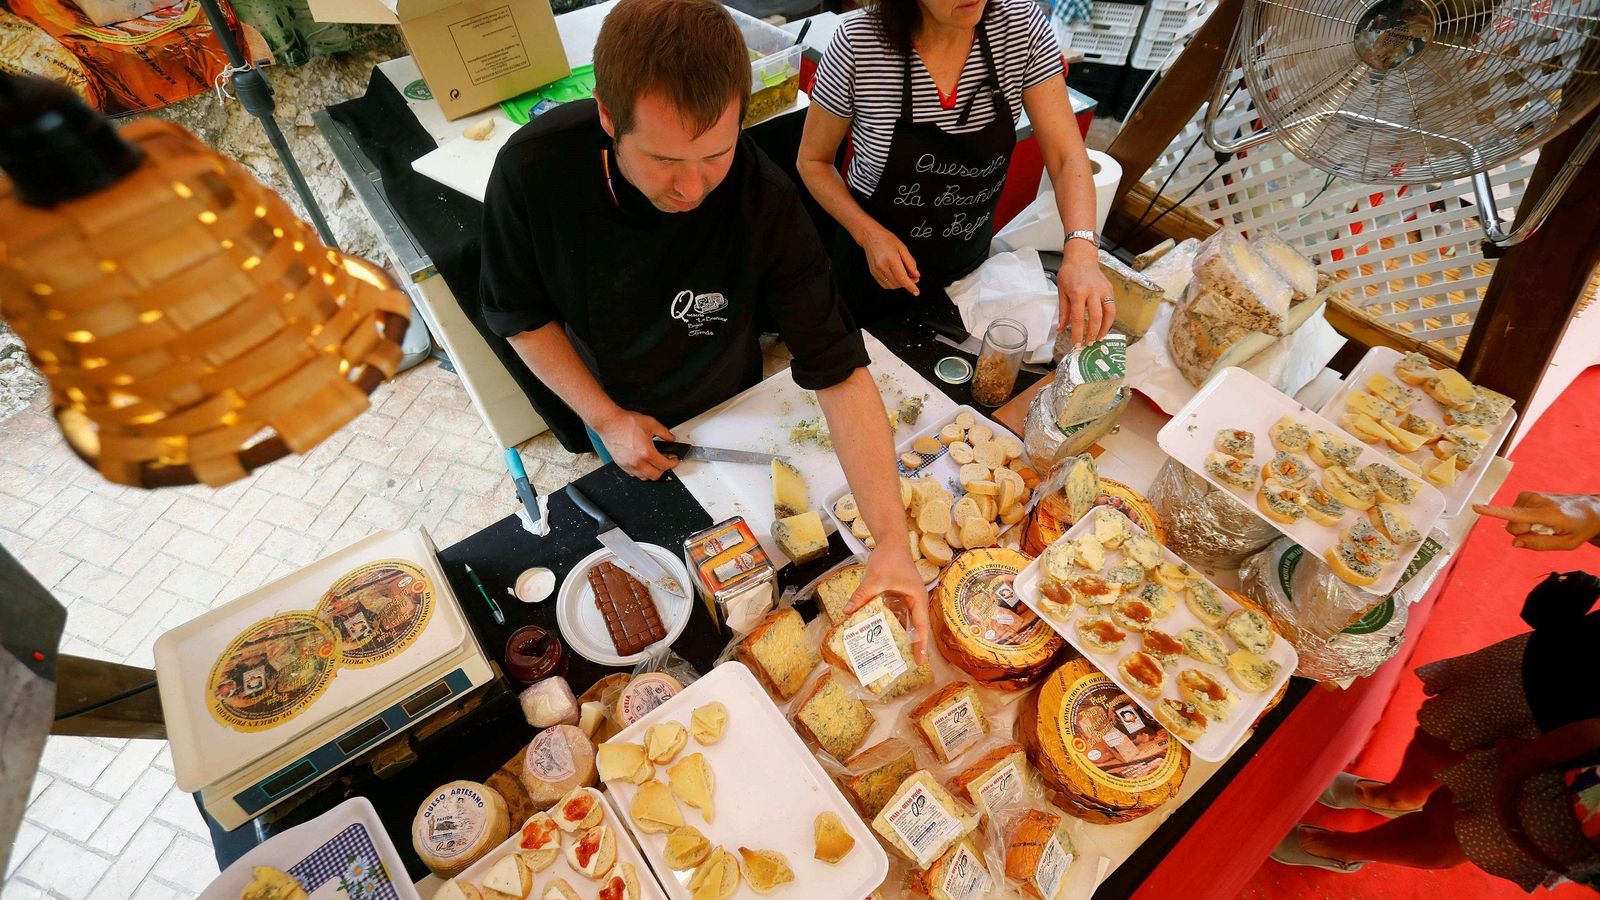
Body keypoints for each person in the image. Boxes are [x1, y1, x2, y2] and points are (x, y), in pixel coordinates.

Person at [476, 0, 932, 652]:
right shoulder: (534, 171)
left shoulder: (762, 197)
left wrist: (890, 540)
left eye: (715, 154)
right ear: (609, 115)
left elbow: (840, 369)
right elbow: (519, 314)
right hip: (613, 385)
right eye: (664, 160)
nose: (692, 189)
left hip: (727, 378)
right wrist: (606, 418)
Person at [1270, 491, 1600, 890]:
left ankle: (1345, 848)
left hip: (1585, 789)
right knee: (1443, 734)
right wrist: (1594, 515)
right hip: (1572, 664)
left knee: (1461, 828)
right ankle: (1396, 797)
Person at [796, 0, 1114, 342]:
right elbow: (813, 161)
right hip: (871, 270)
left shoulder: (1020, 26)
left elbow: (1067, 155)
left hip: (968, 271)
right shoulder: (859, 43)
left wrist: (1081, 251)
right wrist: (868, 234)